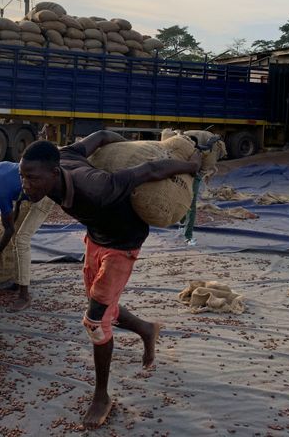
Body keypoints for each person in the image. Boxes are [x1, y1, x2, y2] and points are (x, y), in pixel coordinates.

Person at [19, 131, 201, 429]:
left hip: (122, 245)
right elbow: (102, 135)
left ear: (54, 173)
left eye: (32, 178)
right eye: (23, 176)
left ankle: (101, 396)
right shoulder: (63, 156)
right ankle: (146, 328)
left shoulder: (96, 188)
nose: (25, 185)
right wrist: (122, 143)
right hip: (96, 238)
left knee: (95, 321)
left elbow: (150, 170)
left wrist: (192, 167)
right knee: (100, 307)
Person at [0, 160, 54, 311]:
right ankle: (18, 280)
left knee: (21, 239)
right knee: (16, 236)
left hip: (45, 195)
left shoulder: (1, 192)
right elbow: (18, 187)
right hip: (32, 192)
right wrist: (15, 213)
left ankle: (24, 296)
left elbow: (9, 230)